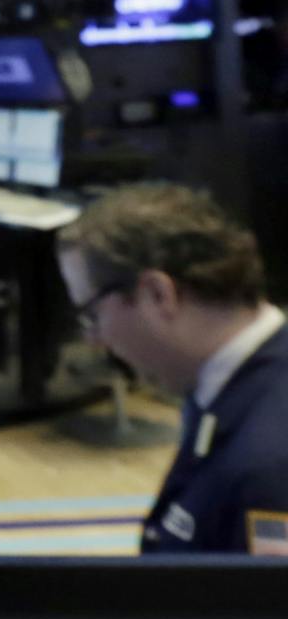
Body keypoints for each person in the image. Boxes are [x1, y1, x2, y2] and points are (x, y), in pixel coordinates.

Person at [56, 184, 288, 555]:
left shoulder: (268, 466)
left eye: (92, 314)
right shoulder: (224, 388)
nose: (94, 339)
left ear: (158, 294)